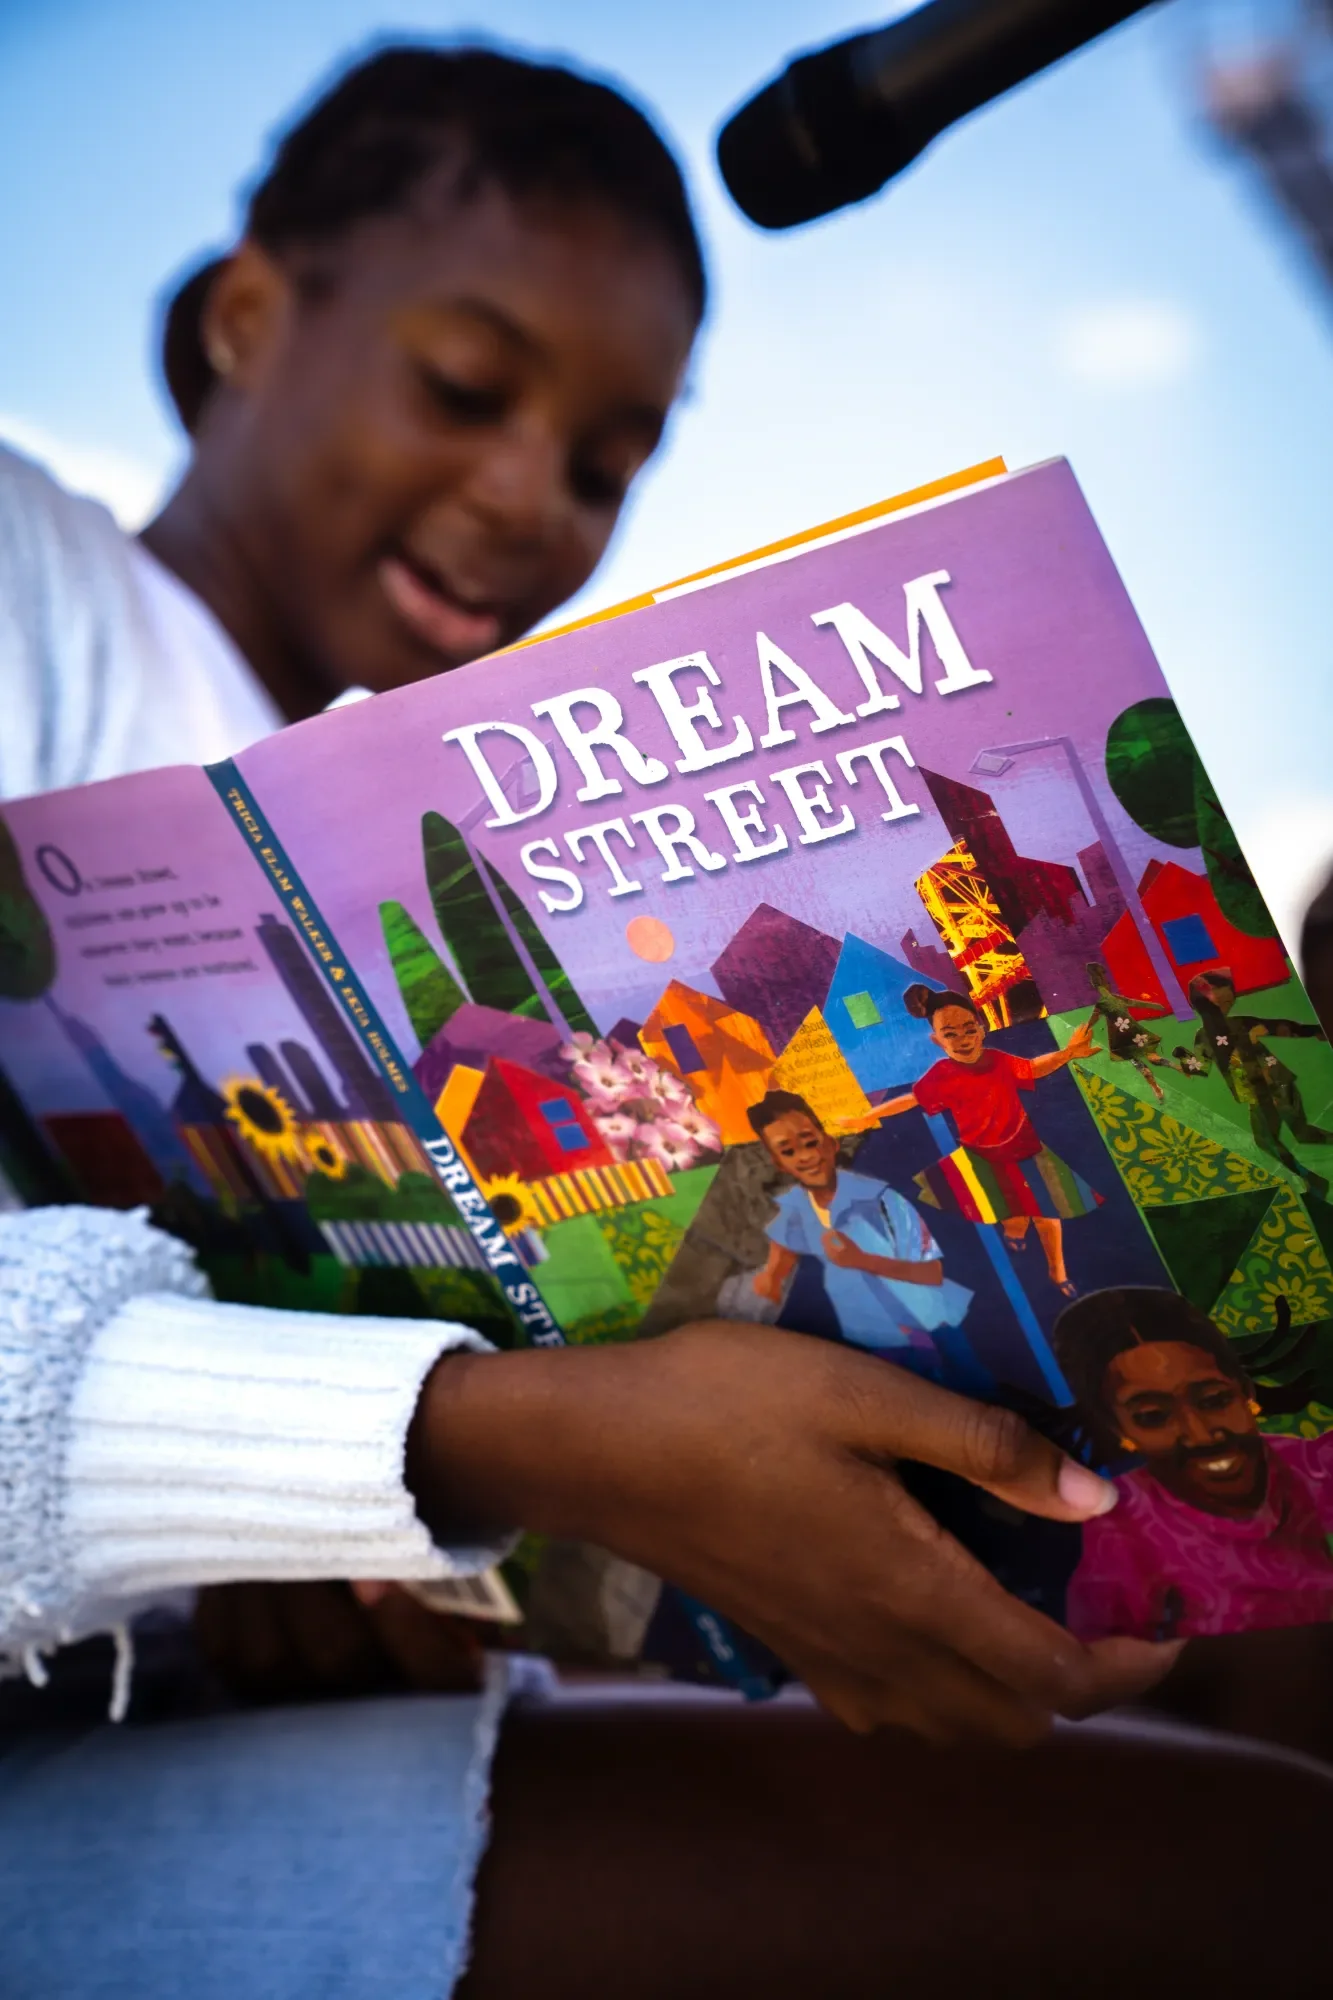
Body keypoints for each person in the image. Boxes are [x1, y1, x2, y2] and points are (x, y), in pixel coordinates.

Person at [2, 42, 1331, 2000]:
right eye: (467, 388)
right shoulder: (37, 587)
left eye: (613, 459)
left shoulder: (455, 855)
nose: (531, 498)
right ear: (247, 317)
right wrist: (469, 1443)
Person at [1055, 1287, 1333, 1642]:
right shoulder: (1120, 1536)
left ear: (1247, 1393)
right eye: (1154, 1416)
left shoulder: (1309, 1467)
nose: (1200, 1434)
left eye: (1214, 1399)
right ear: (1117, 1430)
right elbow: (1101, 1670)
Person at [859, 985, 1101, 1298]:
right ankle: (1015, 1228)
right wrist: (867, 1117)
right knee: (1012, 1210)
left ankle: (1057, 1272)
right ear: (936, 1040)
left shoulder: (999, 1062)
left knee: (1047, 1215)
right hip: (984, 1157)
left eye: (969, 1029)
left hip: (1026, 1149)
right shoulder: (942, 1074)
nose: (962, 1040)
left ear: (981, 1030)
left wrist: (1068, 1053)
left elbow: (1033, 1068)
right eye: (950, 1034)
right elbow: (911, 1100)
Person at [747, 1088, 982, 1387]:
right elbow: (782, 1248)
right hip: (876, 1339)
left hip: (931, 1328)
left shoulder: (882, 1201)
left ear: (830, 1143)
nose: (805, 1156)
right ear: (779, 1163)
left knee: (967, 1390)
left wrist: (861, 1260)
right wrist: (771, 1277)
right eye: (788, 1151)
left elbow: (932, 1273)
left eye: (809, 1142)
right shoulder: (794, 1210)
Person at [1173, 967, 1333, 1197]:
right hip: (1256, 1092)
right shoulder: (1203, 1036)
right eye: (1223, 1001)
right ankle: (1313, 1180)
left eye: (1229, 1001)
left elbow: (1280, 1026)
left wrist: (1315, 1030)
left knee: (1285, 1137)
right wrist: (1182, 1057)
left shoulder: (1240, 1024)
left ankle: (1313, 1181)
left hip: (1274, 1084)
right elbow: (1201, 1067)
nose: (1228, 1005)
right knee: (1282, 1137)